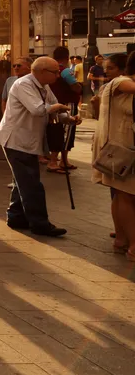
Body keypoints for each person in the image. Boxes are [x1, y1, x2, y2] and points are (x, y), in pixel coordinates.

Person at [0, 57, 75, 237]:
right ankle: (39, 223)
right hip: (16, 140)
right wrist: (56, 107)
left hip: (28, 140)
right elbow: (38, 109)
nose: (57, 75)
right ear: (42, 72)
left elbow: (54, 108)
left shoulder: (44, 86)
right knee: (31, 183)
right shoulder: (23, 84)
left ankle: (16, 216)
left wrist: (67, 118)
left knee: (23, 181)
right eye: (55, 72)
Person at [91, 57, 135, 260]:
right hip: (120, 147)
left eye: (110, 67)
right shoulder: (120, 82)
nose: (106, 71)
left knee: (119, 194)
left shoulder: (115, 85)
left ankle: (121, 238)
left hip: (118, 146)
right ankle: (133, 246)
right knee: (126, 194)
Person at [47, 46, 81, 174]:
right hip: (67, 104)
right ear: (67, 57)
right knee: (66, 133)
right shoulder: (65, 71)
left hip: (54, 104)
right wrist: (79, 87)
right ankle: (55, 161)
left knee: (56, 130)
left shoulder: (50, 71)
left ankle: (63, 160)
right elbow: (75, 87)